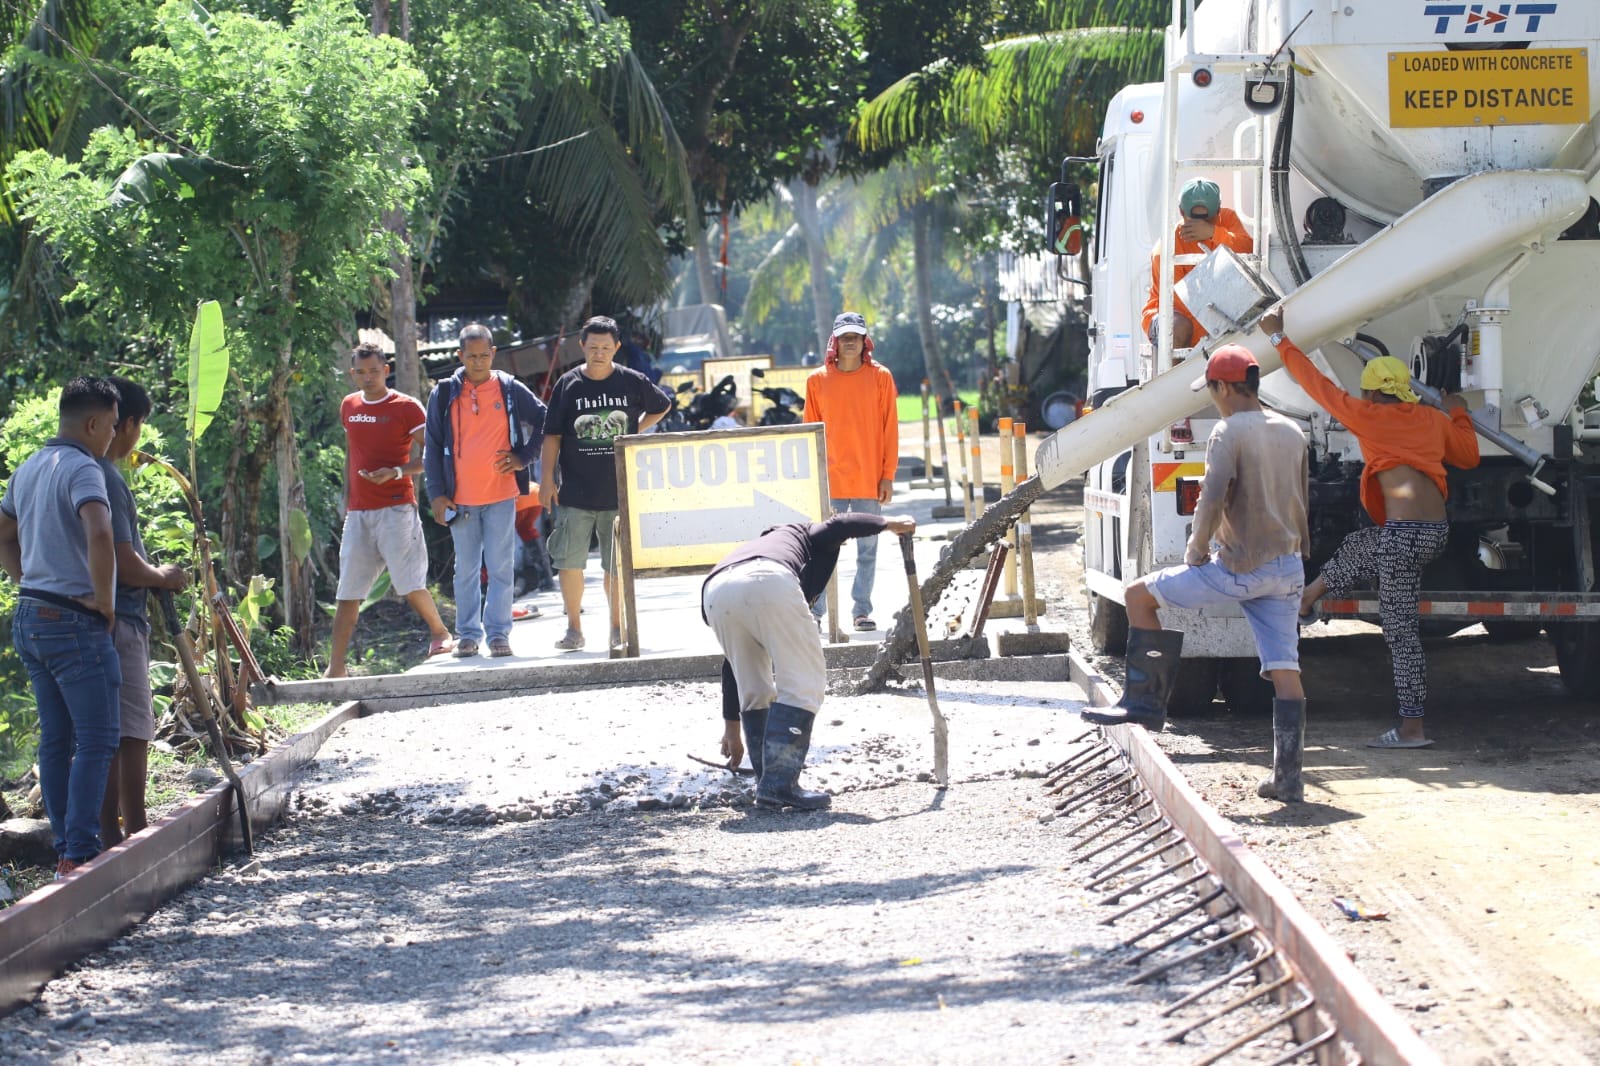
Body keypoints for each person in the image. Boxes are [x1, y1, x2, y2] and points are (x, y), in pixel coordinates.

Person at [1082, 347, 1311, 800]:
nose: (1212, 399)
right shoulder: (1292, 430)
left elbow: (1212, 496)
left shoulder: (1227, 431)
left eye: (1210, 390)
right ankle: (1289, 779)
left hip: (1239, 566)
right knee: (1285, 667)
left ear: (1224, 387)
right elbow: (1302, 498)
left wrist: (1196, 550)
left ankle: (1143, 705)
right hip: (1288, 567)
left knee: (1138, 596)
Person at [1266, 309, 1480, 749]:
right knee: (1365, 546)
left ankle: (1412, 729)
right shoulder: (1433, 420)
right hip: (1435, 533)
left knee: (1400, 631)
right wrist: (1458, 413)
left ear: (1372, 391)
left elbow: (1315, 386)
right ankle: (1308, 598)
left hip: (1402, 537)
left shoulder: (1367, 416)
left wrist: (1279, 340)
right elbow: (1468, 458)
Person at [704, 512, 916, 809]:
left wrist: (732, 727)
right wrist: (891, 523)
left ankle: (767, 782)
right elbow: (840, 525)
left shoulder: (758, 548)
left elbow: (732, 664)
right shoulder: (801, 534)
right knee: (804, 683)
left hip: (715, 590)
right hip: (767, 581)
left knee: (754, 687)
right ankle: (779, 785)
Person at [0, 377, 122, 878]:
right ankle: (81, 850)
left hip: (30, 614)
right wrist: (105, 600)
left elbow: (3, 534)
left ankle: (64, 850)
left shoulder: (28, 468)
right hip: (74, 620)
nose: (112, 437)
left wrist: (26, 580)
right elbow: (99, 529)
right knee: (96, 738)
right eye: (112, 427)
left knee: (55, 739)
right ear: (93, 424)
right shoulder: (82, 468)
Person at [96, 377, 191, 847]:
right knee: (130, 730)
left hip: (99, 616)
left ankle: (112, 832)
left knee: (104, 730)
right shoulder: (107, 478)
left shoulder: (66, 469)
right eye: (135, 426)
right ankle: (131, 830)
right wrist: (164, 576)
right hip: (119, 617)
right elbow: (124, 562)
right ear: (125, 423)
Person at [539, 315, 671, 651]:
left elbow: (662, 405)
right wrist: (545, 481)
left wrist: (632, 433)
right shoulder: (567, 385)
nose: (599, 353)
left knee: (615, 565)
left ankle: (617, 628)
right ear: (582, 346)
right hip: (574, 492)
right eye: (593, 346)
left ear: (617, 348)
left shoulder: (631, 380)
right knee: (569, 562)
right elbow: (552, 436)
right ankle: (573, 629)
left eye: (606, 347)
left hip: (618, 492)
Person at [327, 342, 454, 676]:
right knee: (348, 591)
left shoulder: (406, 407)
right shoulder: (349, 405)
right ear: (352, 373)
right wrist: (348, 500)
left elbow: (435, 453)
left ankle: (440, 632)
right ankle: (335, 668)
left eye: (374, 371)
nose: (368, 378)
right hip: (358, 512)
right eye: (361, 372)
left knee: (410, 583)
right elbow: (354, 454)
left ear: (386, 371)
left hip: (397, 508)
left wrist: (396, 473)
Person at [424, 324, 546, 658]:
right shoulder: (445, 392)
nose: (478, 362)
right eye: (471, 356)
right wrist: (436, 494)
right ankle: (467, 635)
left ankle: (498, 635)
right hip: (459, 498)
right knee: (465, 569)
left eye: (484, 355)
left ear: (493, 353)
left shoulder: (508, 388)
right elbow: (432, 446)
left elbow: (545, 419)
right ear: (459, 356)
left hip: (501, 495)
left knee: (501, 566)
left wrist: (523, 458)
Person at [803, 312, 900, 631]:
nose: (850, 342)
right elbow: (809, 431)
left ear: (864, 342)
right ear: (834, 341)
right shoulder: (816, 380)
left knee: (867, 551)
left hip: (868, 479)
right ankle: (814, 613)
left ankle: (862, 611)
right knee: (820, 551)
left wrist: (888, 474)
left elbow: (890, 429)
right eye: (844, 337)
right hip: (828, 481)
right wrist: (810, 480)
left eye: (855, 337)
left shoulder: (881, 377)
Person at [1142, 179, 1255, 350]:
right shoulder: (1166, 249)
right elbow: (1185, 306)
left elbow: (1249, 249)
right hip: (1171, 314)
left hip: (1218, 311)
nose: (1200, 224)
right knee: (1178, 327)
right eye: (1194, 218)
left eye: (1207, 219)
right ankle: (1176, 374)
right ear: (1181, 212)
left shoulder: (1228, 218)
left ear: (1218, 211)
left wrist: (1214, 233)